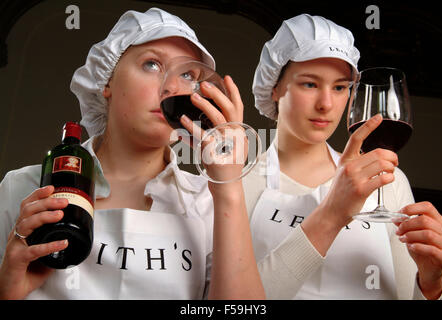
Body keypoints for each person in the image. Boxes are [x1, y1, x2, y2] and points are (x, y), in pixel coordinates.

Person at [0, 7, 265, 300]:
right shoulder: (23, 188)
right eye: (152, 65)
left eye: (187, 74)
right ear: (106, 82)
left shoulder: (211, 202)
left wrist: (228, 188)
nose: (172, 86)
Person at [243, 13, 442, 299]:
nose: (326, 104)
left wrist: (432, 282)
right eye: (310, 84)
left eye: (340, 87)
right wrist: (332, 215)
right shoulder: (235, 184)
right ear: (275, 87)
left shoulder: (388, 181)